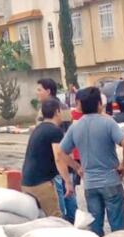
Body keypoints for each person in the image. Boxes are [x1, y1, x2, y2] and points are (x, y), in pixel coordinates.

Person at [58, 86, 124, 236]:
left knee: (95, 227)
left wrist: (77, 167)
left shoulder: (75, 127)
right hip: (111, 181)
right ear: (99, 104)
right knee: (117, 227)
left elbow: (61, 153)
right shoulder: (108, 123)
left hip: (90, 184)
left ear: (81, 105)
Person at [22, 98, 74, 217]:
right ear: (57, 112)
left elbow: (62, 155)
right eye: (61, 110)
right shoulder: (54, 131)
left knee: (40, 218)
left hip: (27, 182)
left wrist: (76, 167)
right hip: (41, 184)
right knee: (55, 218)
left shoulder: (39, 129)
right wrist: (68, 182)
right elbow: (59, 157)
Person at [36, 77, 79, 221]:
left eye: (39, 89)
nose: (37, 93)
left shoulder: (52, 110)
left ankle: (65, 224)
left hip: (57, 159)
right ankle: (72, 222)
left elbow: (61, 132)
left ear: (48, 91)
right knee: (69, 193)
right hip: (63, 157)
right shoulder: (62, 107)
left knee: (60, 195)